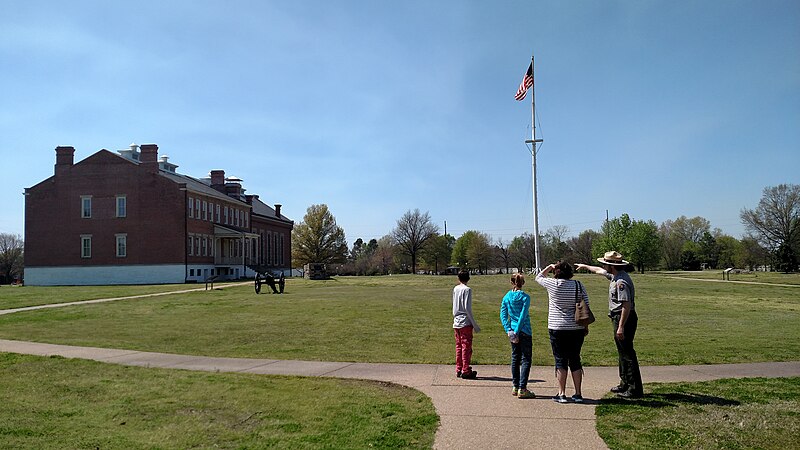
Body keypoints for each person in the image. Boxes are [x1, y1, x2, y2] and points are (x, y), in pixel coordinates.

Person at [576, 251, 643, 399]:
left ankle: (634, 389)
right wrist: (585, 266)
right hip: (619, 317)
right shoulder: (615, 275)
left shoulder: (621, 282)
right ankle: (624, 383)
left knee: (627, 353)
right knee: (622, 352)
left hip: (624, 318)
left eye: (605, 263)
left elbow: (626, 305)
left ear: (611, 266)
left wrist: (620, 326)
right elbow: (599, 271)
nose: (602, 265)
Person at [536, 262, 588, 403]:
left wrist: (549, 267)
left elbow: (538, 277)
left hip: (557, 327)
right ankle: (578, 393)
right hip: (576, 327)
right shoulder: (578, 285)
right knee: (575, 359)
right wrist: (585, 326)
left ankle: (562, 393)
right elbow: (585, 305)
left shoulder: (553, 284)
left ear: (557, 272)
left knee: (560, 360)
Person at [500, 273, 534, 398]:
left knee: (515, 358)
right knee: (526, 359)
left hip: (512, 331)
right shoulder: (525, 297)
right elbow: (523, 315)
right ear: (523, 283)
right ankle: (522, 388)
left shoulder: (507, 297)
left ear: (511, 282)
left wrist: (509, 330)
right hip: (524, 330)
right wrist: (517, 331)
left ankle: (515, 385)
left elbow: (503, 315)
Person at [453, 270, 480, 379]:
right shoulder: (467, 290)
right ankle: (466, 369)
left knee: (459, 346)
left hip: (456, 321)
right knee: (466, 347)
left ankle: (459, 368)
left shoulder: (456, 288)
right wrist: (474, 323)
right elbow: (467, 307)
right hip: (465, 321)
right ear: (468, 278)